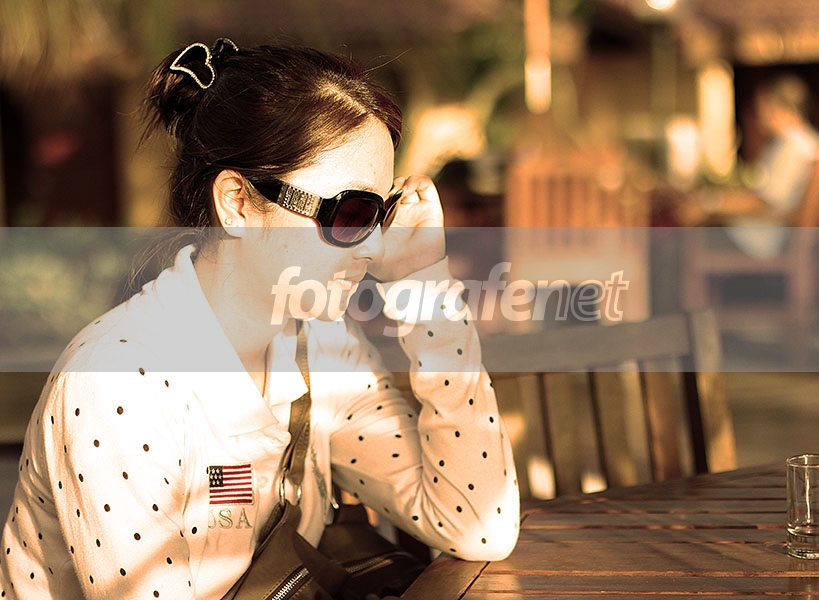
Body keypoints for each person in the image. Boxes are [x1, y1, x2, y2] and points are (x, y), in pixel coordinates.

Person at [0, 39, 520, 599]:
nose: (373, 247)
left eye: (382, 213)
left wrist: (425, 286)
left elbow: (477, 524)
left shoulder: (318, 344)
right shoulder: (120, 385)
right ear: (237, 203)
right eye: (349, 214)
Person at [681, 73, 819, 259]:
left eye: (764, 105)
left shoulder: (791, 147)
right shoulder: (808, 142)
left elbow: (764, 201)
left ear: (780, 106)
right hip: (769, 235)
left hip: (761, 241)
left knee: (682, 232)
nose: (759, 114)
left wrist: (711, 205)